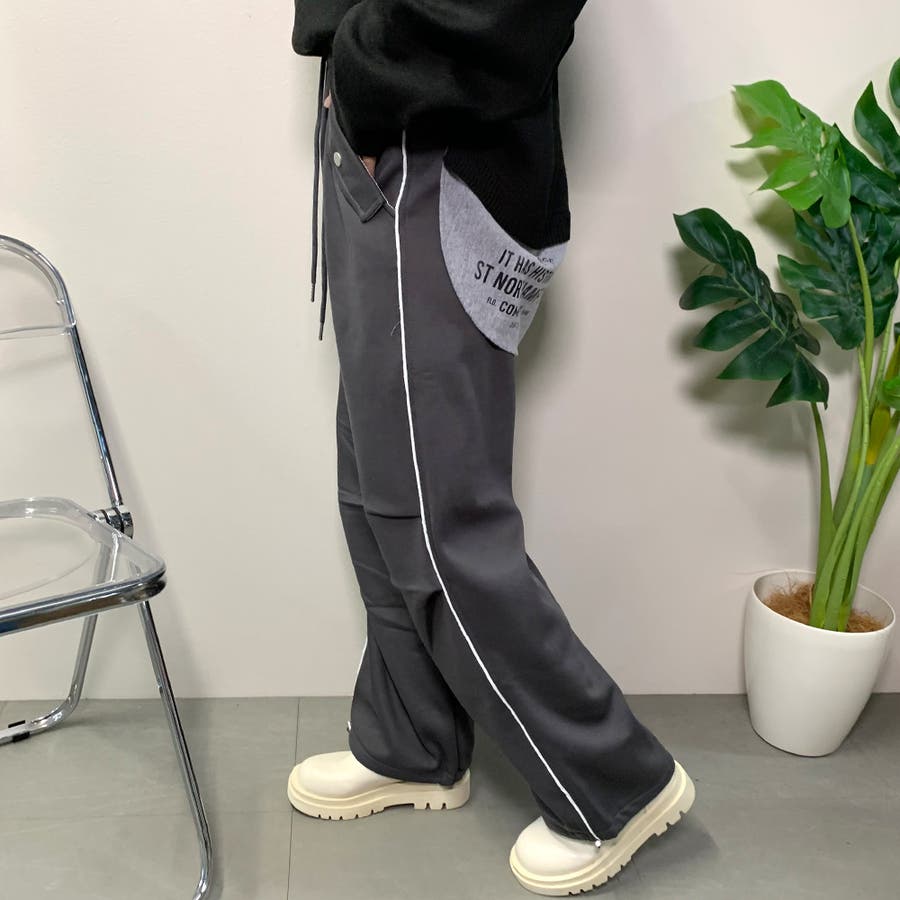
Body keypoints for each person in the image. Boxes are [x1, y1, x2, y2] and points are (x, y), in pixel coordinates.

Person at [287, 1, 695, 893]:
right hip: (389, 144)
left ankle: (613, 781)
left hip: (436, 152)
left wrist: (366, 67)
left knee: (440, 523)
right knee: (375, 486)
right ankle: (413, 739)